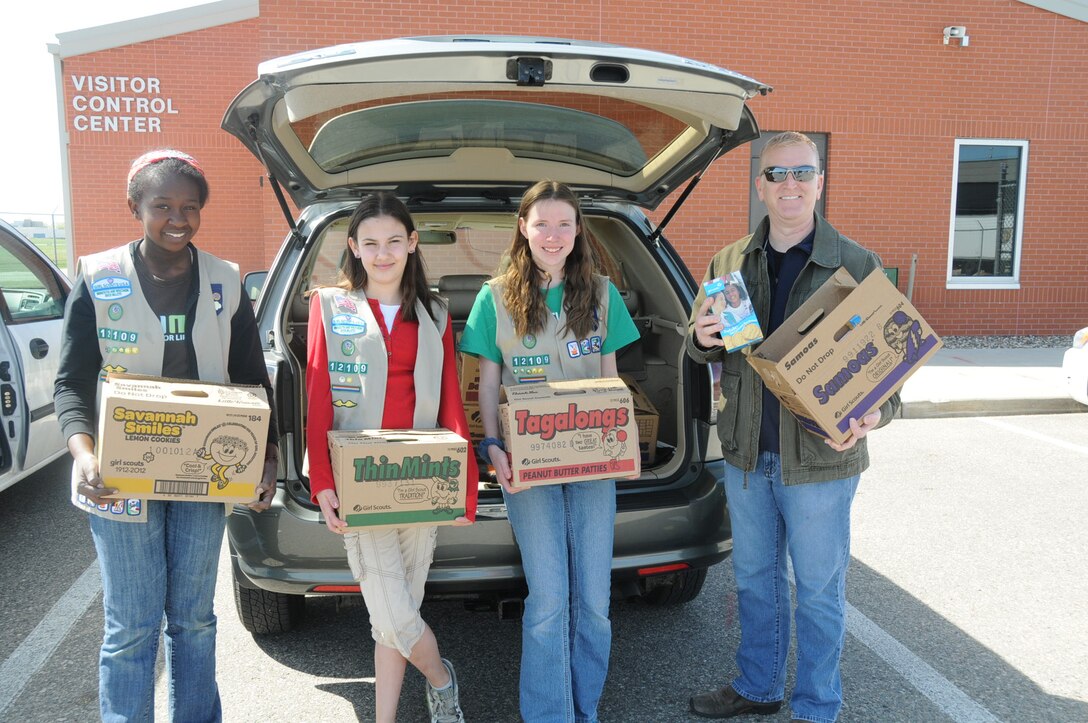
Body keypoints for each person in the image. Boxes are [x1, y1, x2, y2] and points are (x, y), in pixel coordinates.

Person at [54, 149, 279, 722]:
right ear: (136, 206)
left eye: (189, 207)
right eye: (162, 205)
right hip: (118, 475)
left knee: (195, 619)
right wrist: (83, 453)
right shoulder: (98, 277)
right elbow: (72, 383)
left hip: (202, 474)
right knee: (130, 624)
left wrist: (267, 458)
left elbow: (253, 380)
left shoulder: (226, 281)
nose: (177, 218)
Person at [685, 132, 900, 723]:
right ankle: (758, 686)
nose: (790, 185)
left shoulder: (856, 264)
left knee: (819, 592)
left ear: (821, 182)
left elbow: (889, 371)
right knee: (755, 582)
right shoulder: (728, 262)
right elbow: (702, 343)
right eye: (777, 174)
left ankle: (816, 705)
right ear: (760, 185)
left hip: (821, 462)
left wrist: (876, 413)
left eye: (802, 173)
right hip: (748, 454)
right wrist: (699, 340)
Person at [459, 180, 640, 723]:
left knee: (593, 604)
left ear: (578, 229)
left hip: (591, 467)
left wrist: (619, 446)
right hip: (526, 467)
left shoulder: (603, 294)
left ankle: (585, 710)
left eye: (565, 223)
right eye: (542, 224)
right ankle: (548, 715)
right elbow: (488, 385)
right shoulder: (496, 297)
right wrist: (492, 446)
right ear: (523, 228)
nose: (553, 235)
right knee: (548, 601)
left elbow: (611, 382)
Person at [305, 192, 477, 723]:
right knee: (397, 613)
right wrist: (323, 482)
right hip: (361, 482)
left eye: (394, 242)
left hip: (422, 476)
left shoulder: (434, 312)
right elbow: (315, 399)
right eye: (371, 243)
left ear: (412, 244)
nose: (383, 254)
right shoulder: (329, 307)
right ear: (353, 247)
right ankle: (443, 681)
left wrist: (462, 484)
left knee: (392, 617)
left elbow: (451, 400)